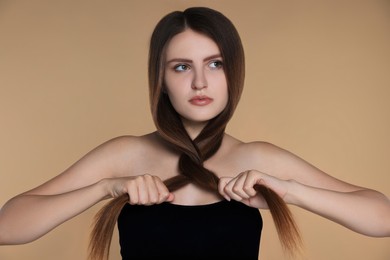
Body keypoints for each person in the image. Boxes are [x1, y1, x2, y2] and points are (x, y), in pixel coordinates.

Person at [0, 6, 389, 260]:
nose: (201, 82)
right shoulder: (124, 155)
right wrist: (107, 188)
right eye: (182, 67)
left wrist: (291, 192)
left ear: (233, 71)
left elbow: (382, 218)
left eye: (215, 64)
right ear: (162, 79)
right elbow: (7, 228)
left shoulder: (259, 160)